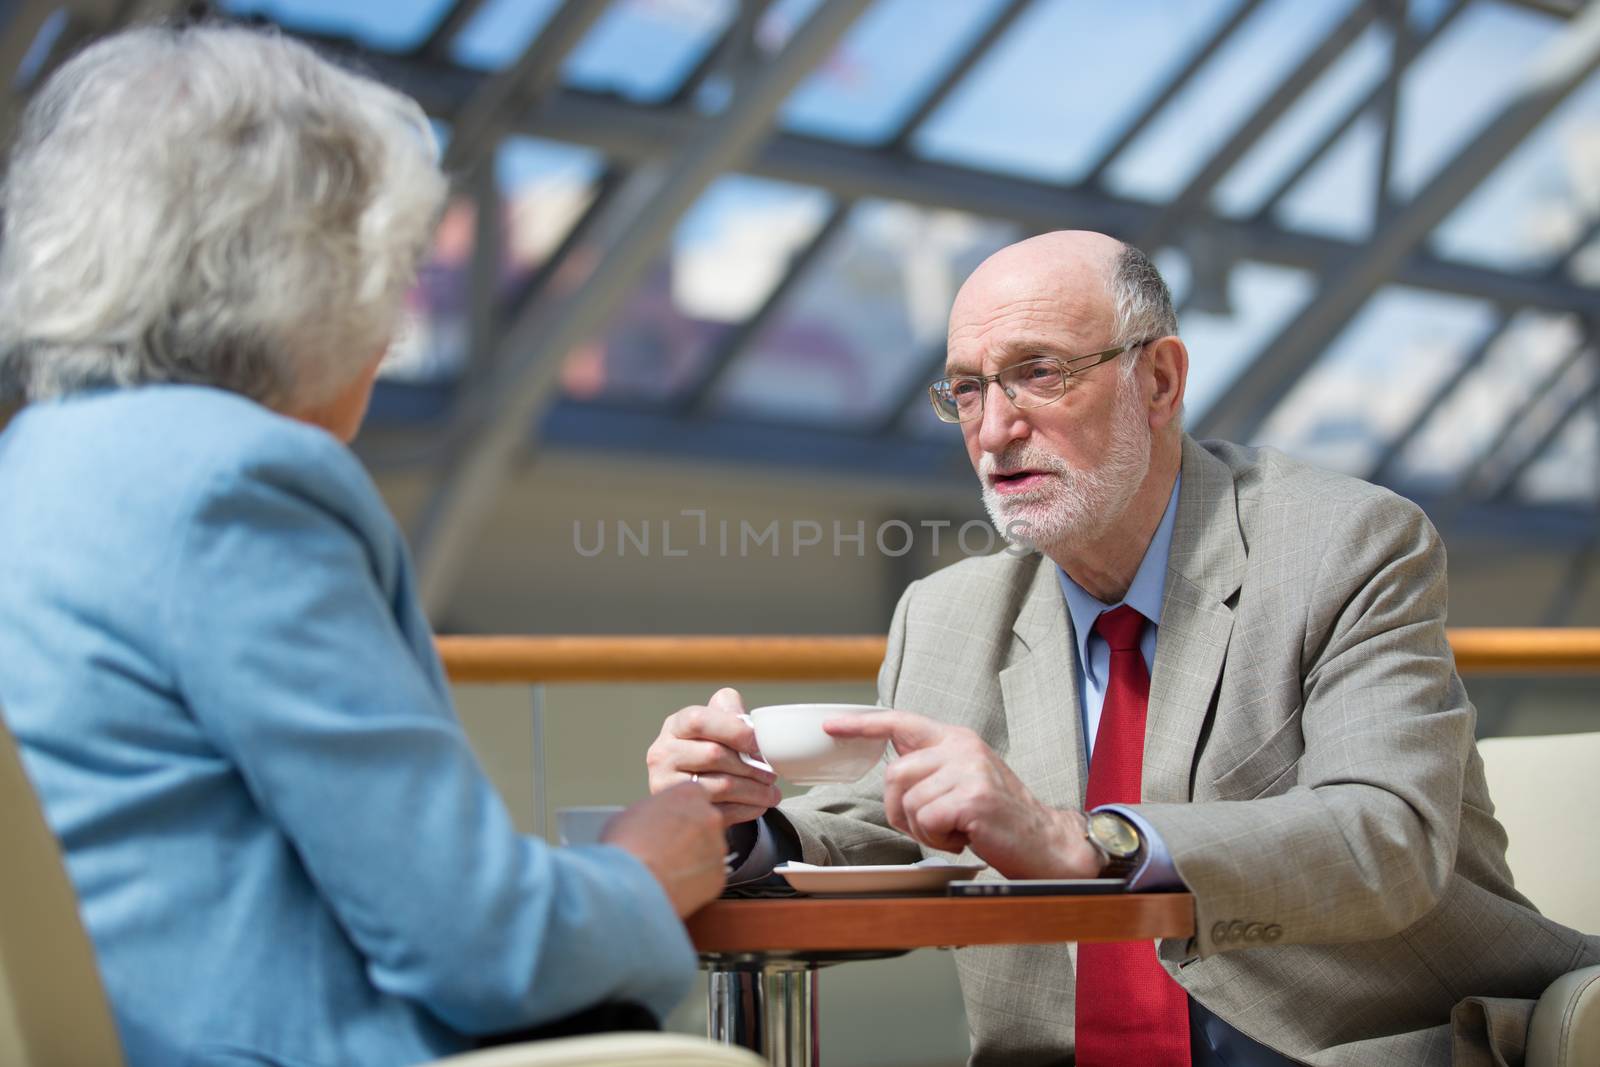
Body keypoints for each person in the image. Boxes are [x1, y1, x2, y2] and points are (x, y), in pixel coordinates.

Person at [646, 230, 1600, 1066]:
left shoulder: (1348, 545)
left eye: (1038, 372)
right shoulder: (942, 614)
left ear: (1160, 380)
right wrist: (745, 820)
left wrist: (1085, 841)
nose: (994, 429)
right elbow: (894, 825)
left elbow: (1388, 836)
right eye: (968, 390)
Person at [0, 24, 727, 1067]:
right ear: (306, 277)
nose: (390, 332)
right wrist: (643, 867)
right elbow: (482, 941)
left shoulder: (33, 463)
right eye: (387, 273)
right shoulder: (236, 485)